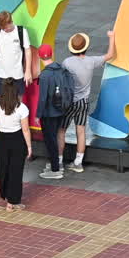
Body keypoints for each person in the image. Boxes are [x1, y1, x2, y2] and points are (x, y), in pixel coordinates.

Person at [61, 30, 115, 173]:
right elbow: (110, 55)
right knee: (81, 131)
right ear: (86, 47)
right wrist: (112, 37)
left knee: (61, 130)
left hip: (69, 102)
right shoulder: (91, 61)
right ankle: (78, 163)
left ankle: (58, 161)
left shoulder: (67, 62)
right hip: (83, 102)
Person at [0, 77, 32, 211]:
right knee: (16, 171)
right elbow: (25, 130)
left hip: (2, 138)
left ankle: (6, 197)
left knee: (4, 169)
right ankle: (14, 201)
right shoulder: (22, 108)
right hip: (17, 139)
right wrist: (29, 146)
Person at [35, 44, 71, 180]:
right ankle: (57, 164)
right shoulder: (61, 69)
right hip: (61, 110)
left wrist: (38, 115)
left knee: (50, 141)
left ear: (39, 56)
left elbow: (43, 98)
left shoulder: (44, 75)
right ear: (52, 54)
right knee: (56, 137)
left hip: (48, 113)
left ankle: (55, 170)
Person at [0, 10, 31, 100]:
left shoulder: (21, 31)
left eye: (7, 28)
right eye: (3, 28)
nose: (5, 30)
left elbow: (28, 51)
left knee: (18, 102)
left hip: (17, 74)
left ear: (11, 21)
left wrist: (28, 71)